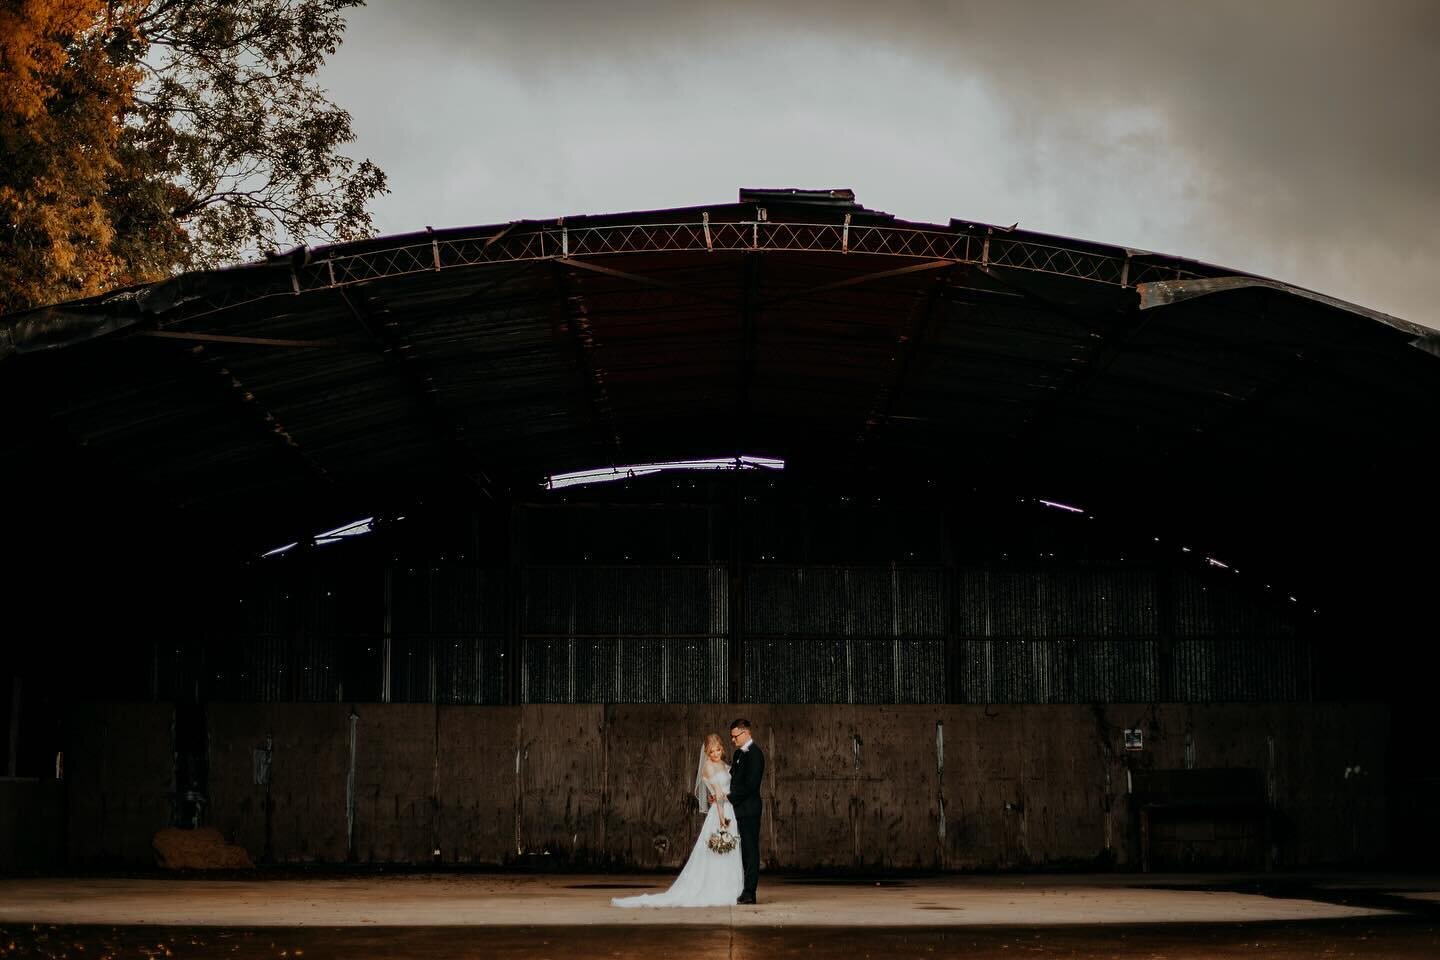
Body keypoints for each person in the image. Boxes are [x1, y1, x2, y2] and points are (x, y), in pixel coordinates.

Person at [611, 733, 743, 908]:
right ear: (707, 753)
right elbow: (717, 794)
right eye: (711, 751)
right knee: (717, 851)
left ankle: (732, 887)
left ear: (722, 749)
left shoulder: (725, 765)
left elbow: (732, 787)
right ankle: (718, 888)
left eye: (718, 749)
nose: (715, 754)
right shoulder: (709, 767)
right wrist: (721, 818)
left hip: (730, 810)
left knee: (730, 850)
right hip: (721, 813)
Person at [726, 718, 765, 904]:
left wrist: (729, 798)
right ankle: (742, 888)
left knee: (750, 851)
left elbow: (751, 785)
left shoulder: (756, 754)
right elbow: (732, 779)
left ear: (746, 733)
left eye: (735, 736)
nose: (733, 740)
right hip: (738, 810)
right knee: (742, 851)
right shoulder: (738, 754)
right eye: (731, 737)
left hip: (749, 810)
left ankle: (750, 892)